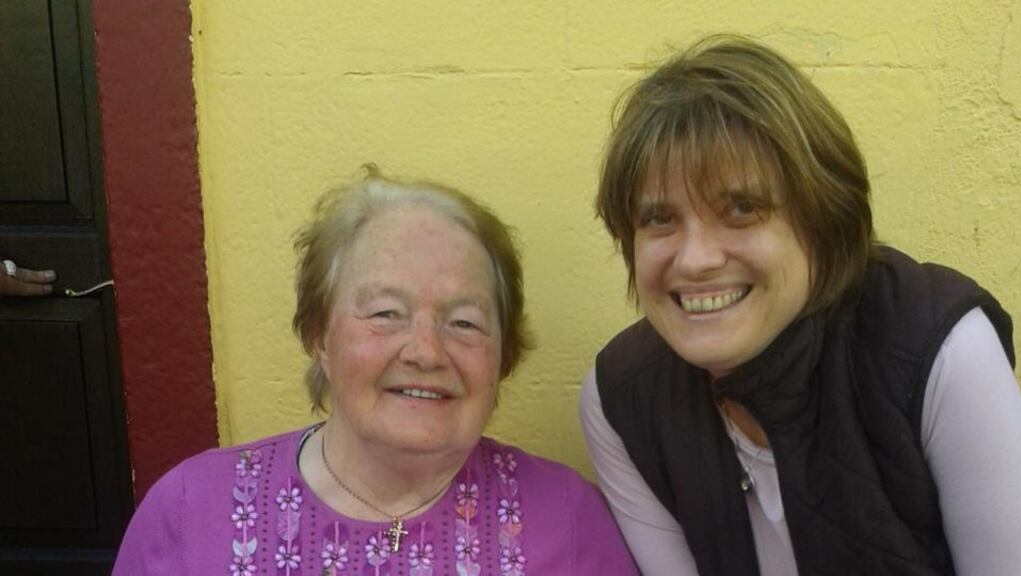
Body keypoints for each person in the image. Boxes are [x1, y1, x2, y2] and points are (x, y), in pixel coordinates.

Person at [580, 35, 1021, 575]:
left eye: (742, 208)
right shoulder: (620, 397)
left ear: (823, 222)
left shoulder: (940, 350)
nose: (694, 259)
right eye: (659, 218)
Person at [113, 168, 638, 575]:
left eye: (464, 321)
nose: (427, 352)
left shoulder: (568, 521)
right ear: (320, 335)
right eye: (386, 313)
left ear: (502, 356)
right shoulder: (190, 512)